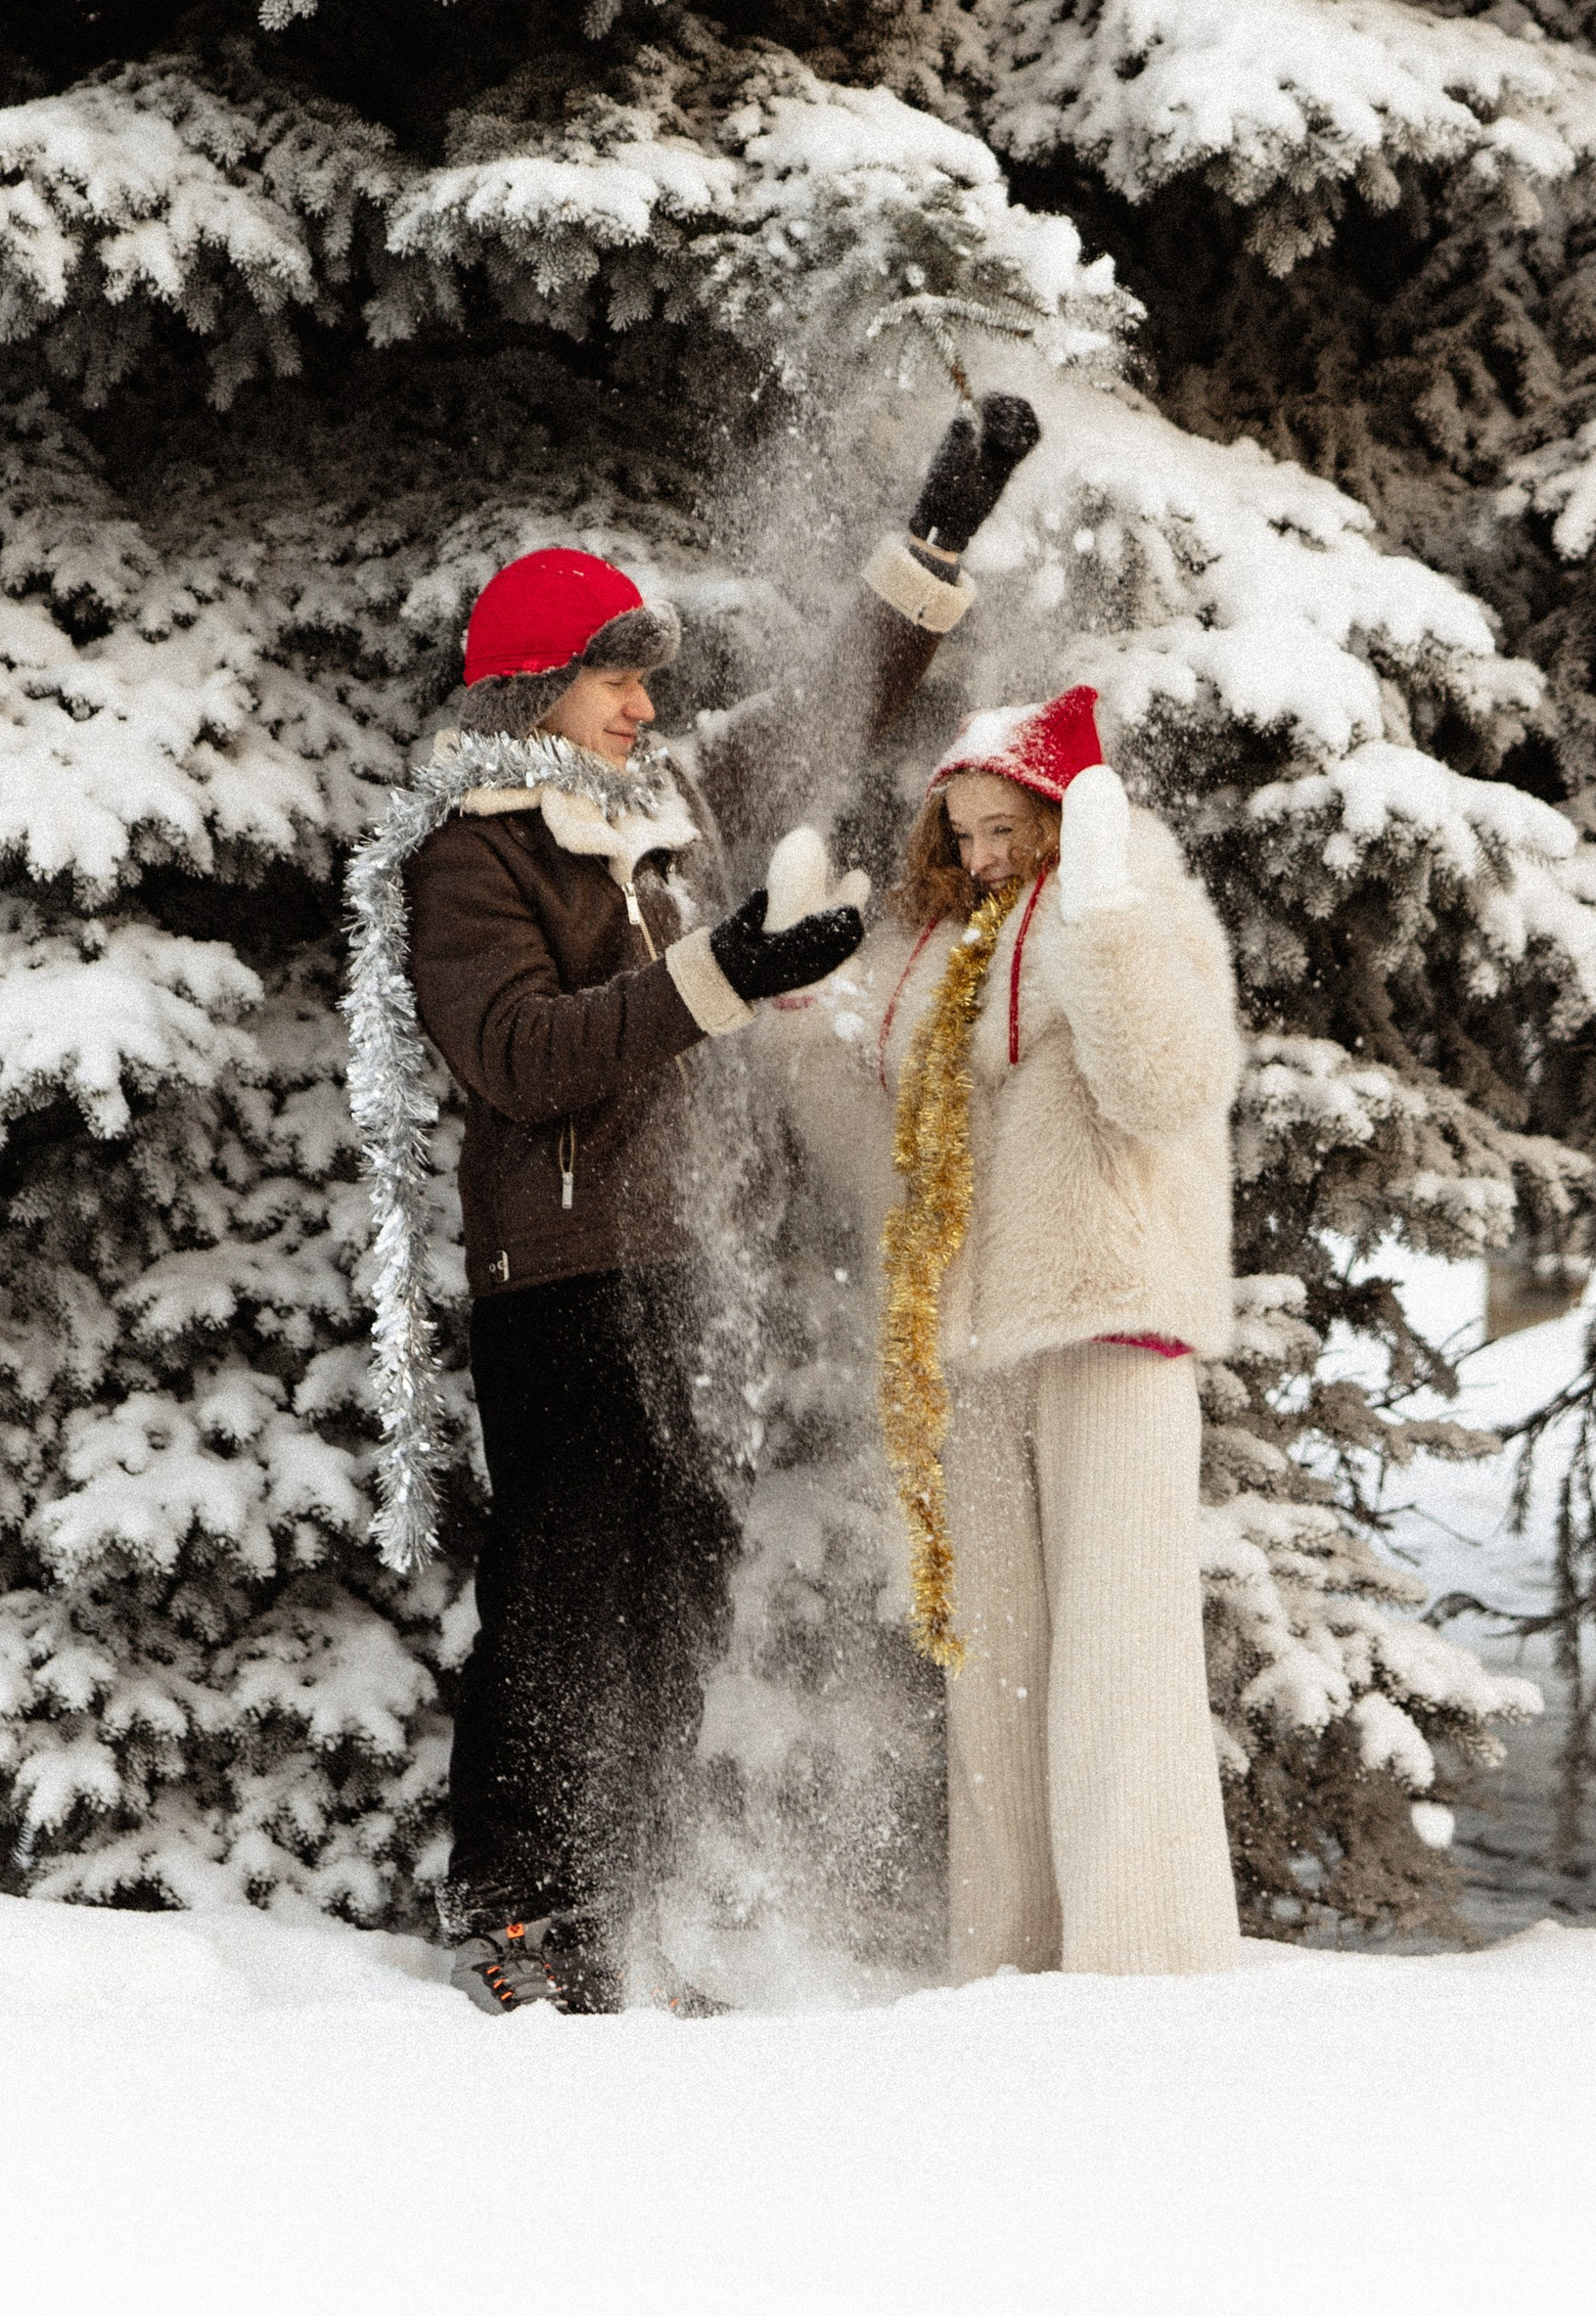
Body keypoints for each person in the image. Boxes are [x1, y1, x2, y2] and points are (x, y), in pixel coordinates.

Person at [342, 399, 1041, 2014]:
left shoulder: (665, 799)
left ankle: (618, 1904)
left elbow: (835, 704)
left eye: (646, 679)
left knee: (675, 1562)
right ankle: (522, 1917)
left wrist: (934, 538)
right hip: (561, 1268)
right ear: (534, 688)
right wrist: (725, 970)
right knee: (568, 1578)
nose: (645, 705)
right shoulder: (474, 849)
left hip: (677, 1256)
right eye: (614, 679)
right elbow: (521, 1055)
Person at [787, 683, 1244, 1977]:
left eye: (1007, 829)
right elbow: (878, 1156)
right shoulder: (940, 950)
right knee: (997, 1681)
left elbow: (1170, 1084)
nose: (984, 855)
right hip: (972, 1345)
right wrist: (794, 1012)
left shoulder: (1137, 906)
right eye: (964, 830)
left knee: (1117, 1660)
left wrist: (1100, 915)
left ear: (1061, 815)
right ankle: (1006, 1972)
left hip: (1112, 1324)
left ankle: (1141, 1969)